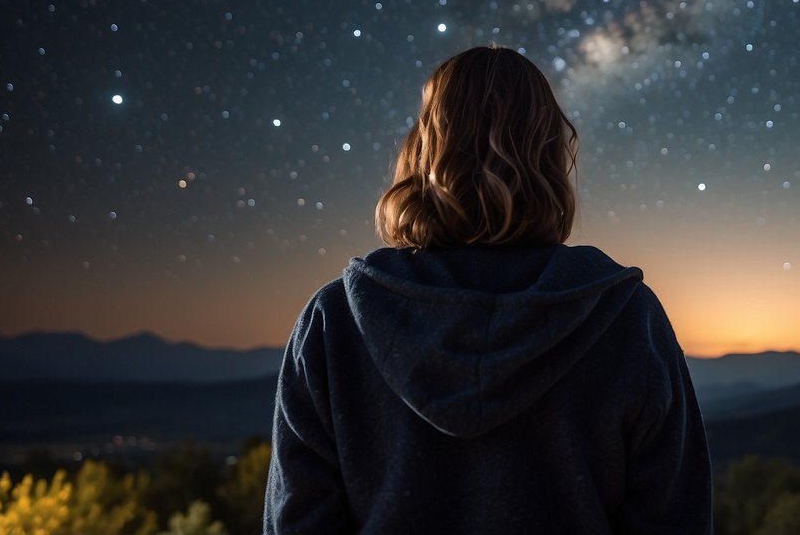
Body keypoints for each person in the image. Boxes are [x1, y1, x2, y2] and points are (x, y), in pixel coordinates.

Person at [264, 46, 712, 533]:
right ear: (549, 155)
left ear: (424, 149)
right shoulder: (627, 318)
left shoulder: (335, 321)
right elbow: (677, 519)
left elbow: (297, 522)